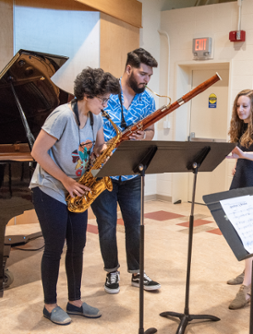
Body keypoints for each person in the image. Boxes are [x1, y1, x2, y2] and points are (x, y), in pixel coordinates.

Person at [30, 67, 120, 325]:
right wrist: (66, 180)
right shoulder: (61, 116)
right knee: (55, 247)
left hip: (78, 188)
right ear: (87, 94)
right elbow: (38, 152)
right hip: (50, 188)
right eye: (103, 99)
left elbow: (100, 146)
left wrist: (106, 152)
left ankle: (75, 301)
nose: (106, 104)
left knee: (77, 246)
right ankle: (49, 305)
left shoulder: (97, 118)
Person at [90, 48, 161, 294]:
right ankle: (112, 272)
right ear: (129, 68)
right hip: (104, 173)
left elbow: (152, 132)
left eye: (150, 76)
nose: (146, 80)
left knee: (135, 224)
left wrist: (145, 135)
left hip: (132, 173)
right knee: (107, 224)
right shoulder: (106, 91)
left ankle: (137, 272)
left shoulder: (148, 100)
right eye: (143, 74)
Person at [226, 89, 253, 310]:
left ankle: (246, 289)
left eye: (245, 106)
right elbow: (241, 152)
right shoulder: (242, 128)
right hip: (242, 180)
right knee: (241, 233)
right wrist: (236, 162)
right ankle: (247, 272)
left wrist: (243, 157)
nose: (240, 110)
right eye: (238, 106)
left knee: (252, 236)